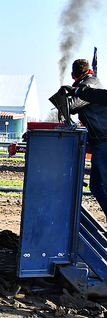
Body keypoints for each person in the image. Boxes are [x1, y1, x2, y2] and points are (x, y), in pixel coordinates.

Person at [68, 58, 107, 217]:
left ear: (72, 74)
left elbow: (72, 106)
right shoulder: (90, 82)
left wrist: (70, 92)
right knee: (96, 187)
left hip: (104, 142)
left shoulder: (88, 84)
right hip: (100, 143)